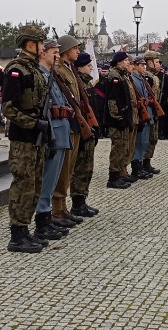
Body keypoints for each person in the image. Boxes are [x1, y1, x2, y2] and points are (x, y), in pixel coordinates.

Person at [0, 25, 51, 253]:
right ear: (31, 44)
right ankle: (17, 235)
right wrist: (34, 123)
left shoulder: (35, 69)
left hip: (36, 137)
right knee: (23, 183)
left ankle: (26, 230)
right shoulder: (16, 70)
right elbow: (8, 109)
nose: (43, 46)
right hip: (23, 137)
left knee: (34, 183)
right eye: (41, 42)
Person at [51, 36, 99, 227]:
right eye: (74, 48)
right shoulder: (59, 70)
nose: (78, 51)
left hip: (75, 124)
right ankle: (57, 210)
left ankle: (63, 208)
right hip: (68, 124)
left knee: (69, 168)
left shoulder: (69, 70)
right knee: (63, 170)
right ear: (65, 50)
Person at [33, 39, 75, 238]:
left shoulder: (51, 75)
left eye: (58, 52)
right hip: (52, 132)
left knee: (54, 178)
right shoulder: (40, 76)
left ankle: (47, 216)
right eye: (54, 52)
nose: (57, 56)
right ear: (43, 53)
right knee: (47, 178)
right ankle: (42, 219)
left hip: (61, 130)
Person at [72, 52, 101, 217]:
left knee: (87, 168)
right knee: (80, 168)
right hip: (82, 131)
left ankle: (82, 200)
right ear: (79, 67)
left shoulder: (87, 84)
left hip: (90, 129)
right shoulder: (77, 84)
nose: (91, 67)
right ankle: (77, 203)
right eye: (88, 65)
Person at [100, 51, 134, 189]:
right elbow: (112, 100)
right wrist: (118, 117)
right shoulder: (114, 76)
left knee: (123, 147)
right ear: (119, 62)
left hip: (123, 116)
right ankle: (112, 178)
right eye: (126, 60)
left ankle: (120, 174)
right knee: (117, 148)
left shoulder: (122, 75)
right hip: (116, 119)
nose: (128, 62)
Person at [131, 56, 156, 179]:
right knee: (139, 142)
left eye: (144, 65)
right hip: (141, 114)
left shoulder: (141, 79)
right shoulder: (134, 79)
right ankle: (136, 168)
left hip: (147, 112)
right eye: (141, 65)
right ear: (134, 65)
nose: (143, 67)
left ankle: (140, 165)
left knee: (144, 142)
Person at [144, 51, 165, 172]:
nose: (159, 64)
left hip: (154, 110)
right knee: (147, 138)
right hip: (149, 110)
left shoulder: (155, 76)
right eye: (156, 62)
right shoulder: (147, 77)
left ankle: (147, 162)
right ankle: (143, 163)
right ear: (149, 62)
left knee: (153, 138)